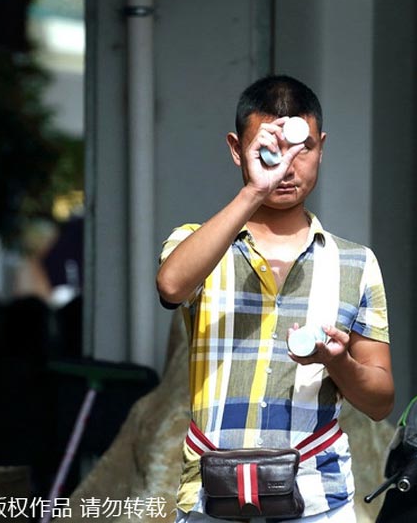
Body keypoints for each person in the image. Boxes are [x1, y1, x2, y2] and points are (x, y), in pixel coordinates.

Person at [156, 75, 394, 522]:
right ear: (236, 149)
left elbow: (380, 402)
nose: (286, 166)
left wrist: (337, 362)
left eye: (301, 149)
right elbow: (171, 286)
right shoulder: (197, 243)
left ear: (321, 145)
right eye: (269, 150)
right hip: (215, 498)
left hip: (318, 498)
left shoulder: (356, 263)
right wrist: (253, 191)